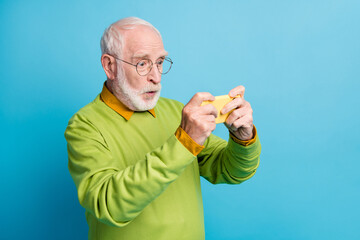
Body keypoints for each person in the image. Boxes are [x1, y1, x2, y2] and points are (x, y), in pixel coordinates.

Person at [65, 17, 261, 240]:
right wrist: (183, 142)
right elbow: (109, 205)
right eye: (142, 64)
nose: (156, 77)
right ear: (110, 66)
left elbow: (232, 170)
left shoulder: (177, 111)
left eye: (159, 62)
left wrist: (242, 138)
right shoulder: (84, 125)